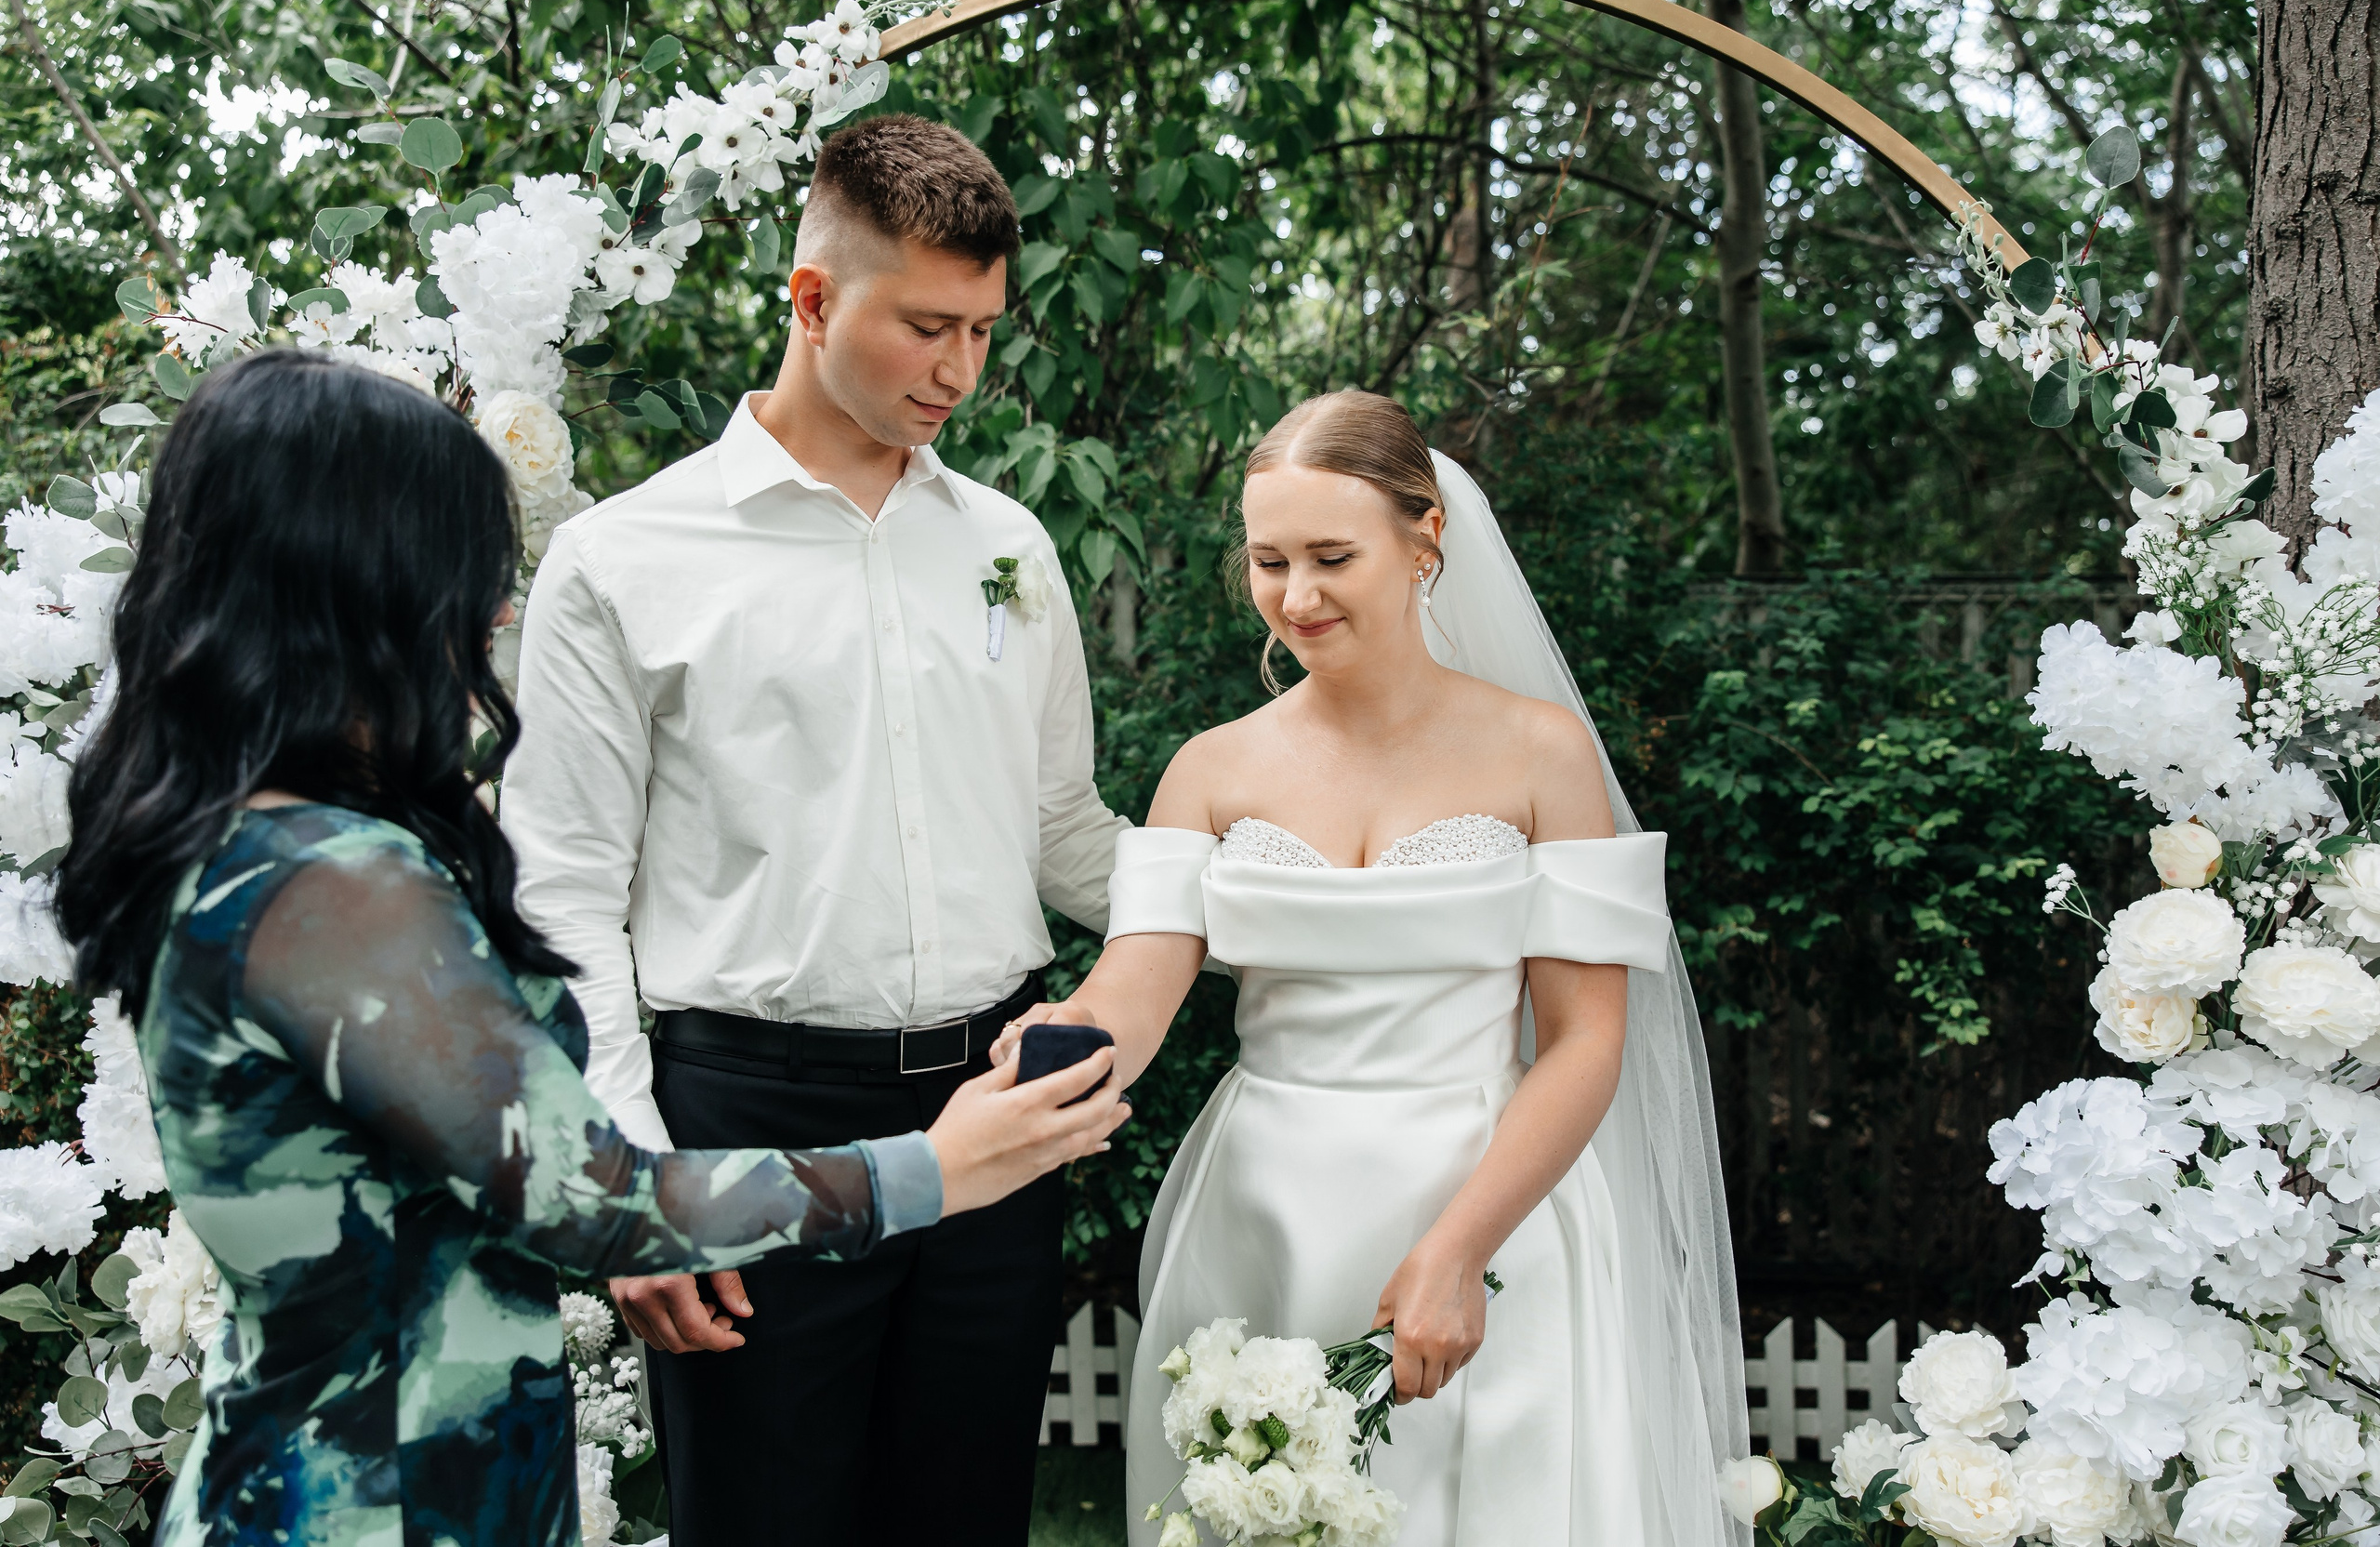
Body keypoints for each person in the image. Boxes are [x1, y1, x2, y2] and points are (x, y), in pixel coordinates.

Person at [48, 348, 1129, 1547]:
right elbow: (595, 1203)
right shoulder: (328, 889)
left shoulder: (251, 843)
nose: (492, 609)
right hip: (372, 1500)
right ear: (350, 583)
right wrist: (945, 1164)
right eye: (460, 568)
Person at [499, 113, 1130, 1544]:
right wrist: (631, 1192)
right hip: (747, 1129)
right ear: (811, 296)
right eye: (926, 327)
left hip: (997, 1116)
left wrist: (1293, 878)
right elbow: (564, 897)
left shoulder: (1008, 548)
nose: (960, 373)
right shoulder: (621, 561)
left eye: (980, 331)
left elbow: (1065, 835)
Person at [996, 390, 1749, 1545]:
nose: (1295, 597)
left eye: (1331, 557)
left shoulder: (1542, 754)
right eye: (1268, 560)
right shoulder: (1210, 769)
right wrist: (1069, 1040)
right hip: (1261, 1210)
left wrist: (1455, 1252)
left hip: (1491, 1202)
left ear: (1423, 539)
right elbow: (1132, 989)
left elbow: (1588, 1039)